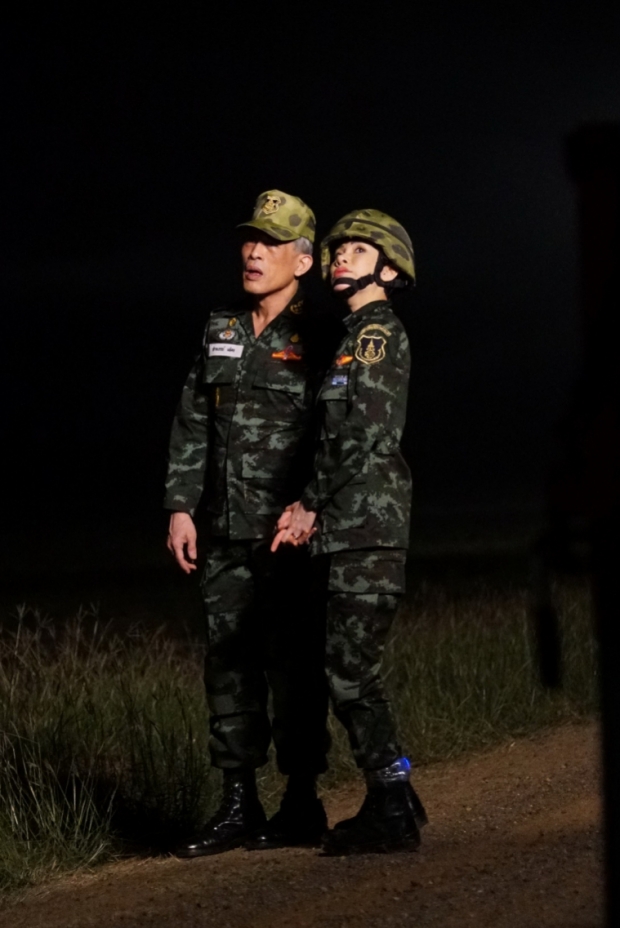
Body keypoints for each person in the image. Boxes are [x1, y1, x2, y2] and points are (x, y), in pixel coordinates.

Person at [165, 190, 341, 856]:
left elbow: (339, 429)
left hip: (290, 534)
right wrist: (181, 505)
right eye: (249, 239)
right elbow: (192, 422)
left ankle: (300, 802)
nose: (252, 251)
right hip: (227, 530)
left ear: (302, 257)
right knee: (229, 664)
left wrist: (318, 505)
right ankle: (238, 803)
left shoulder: (323, 334)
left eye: (269, 242)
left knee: (296, 665)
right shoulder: (222, 329)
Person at [273, 209, 428, 855]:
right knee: (346, 669)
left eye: (358, 250)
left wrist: (309, 504)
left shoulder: (376, 337)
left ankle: (392, 804)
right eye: (337, 250)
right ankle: (396, 795)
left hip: (366, 527)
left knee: (352, 674)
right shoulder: (350, 336)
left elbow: (365, 436)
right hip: (351, 529)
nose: (341, 257)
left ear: (387, 269)